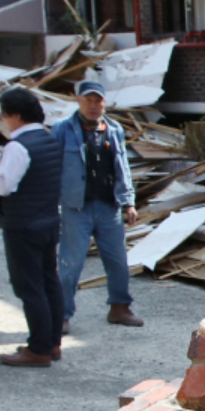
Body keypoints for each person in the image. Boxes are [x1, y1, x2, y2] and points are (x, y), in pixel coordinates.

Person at [0, 87, 66, 367]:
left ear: (15, 115)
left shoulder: (18, 146)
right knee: (49, 282)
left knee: (29, 288)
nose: (4, 122)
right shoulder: (48, 139)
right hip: (48, 219)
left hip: (23, 223)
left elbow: (4, 186)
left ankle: (38, 349)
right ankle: (51, 343)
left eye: (4, 116)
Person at [53, 79, 144, 329]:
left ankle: (120, 308)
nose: (93, 106)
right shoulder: (62, 130)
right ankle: (61, 315)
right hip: (76, 208)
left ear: (104, 103)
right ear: (78, 101)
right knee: (71, 263)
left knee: (117, 261)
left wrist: (129, 202)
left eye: (98, 101)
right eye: (88, 100)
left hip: (108, 206)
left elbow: (122, 167)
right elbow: (52, 167)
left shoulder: (113, 130)